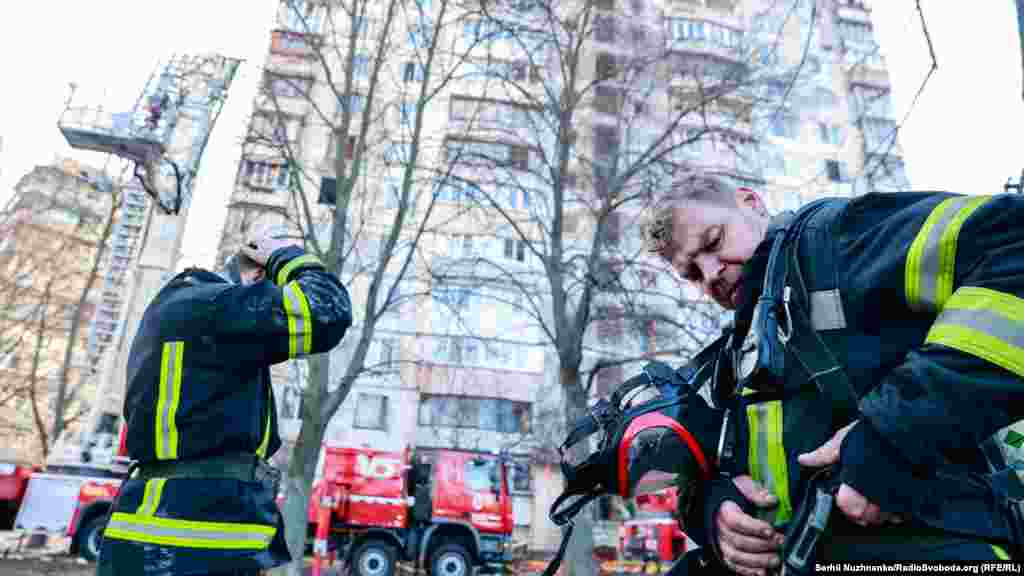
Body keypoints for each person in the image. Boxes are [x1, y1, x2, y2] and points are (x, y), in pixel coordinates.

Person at [642, 173, 1022, 574]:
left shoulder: (837, 241)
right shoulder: (738, 350)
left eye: (714, 241)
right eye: (693, 274)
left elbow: (1015, 245)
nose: (710, 274)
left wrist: (891, 434)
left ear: (751, 202)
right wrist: (712, 511)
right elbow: (704, 471)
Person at [96, 230, 353, 575]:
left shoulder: (184, 311)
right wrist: (285, 257)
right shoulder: (217, 307)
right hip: (192, 542)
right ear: (259, 275)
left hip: (163, 537)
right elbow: (326, 311)